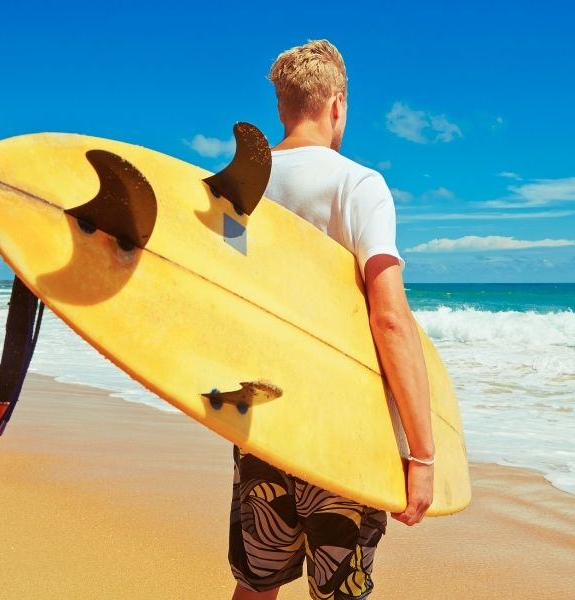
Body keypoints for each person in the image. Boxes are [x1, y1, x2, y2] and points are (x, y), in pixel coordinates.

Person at [229, 39, 434, 600]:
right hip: (346, 432)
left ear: (282, 108)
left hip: (263, 421)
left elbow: (223, 301)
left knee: (255, 583)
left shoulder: (243, 188)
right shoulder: (359, 185)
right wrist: (422, 454)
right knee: (339, 594)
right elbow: (389, 319)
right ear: (338, 104)